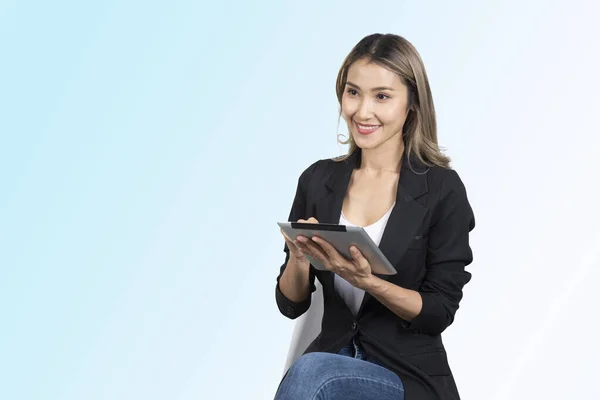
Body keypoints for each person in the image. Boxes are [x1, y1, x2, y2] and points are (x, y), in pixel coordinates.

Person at [273, 33, 475, 400]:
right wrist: (299, 260)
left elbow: (438, 311)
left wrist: (369, 282)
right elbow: (291, 304)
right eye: (353, 93)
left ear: (411, 103)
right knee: (314, 369)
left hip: (405, 377)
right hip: (332, 360)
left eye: (381, 96)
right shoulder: (318, 181)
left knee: (313, 371)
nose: (362, 112)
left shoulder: (442, 189)